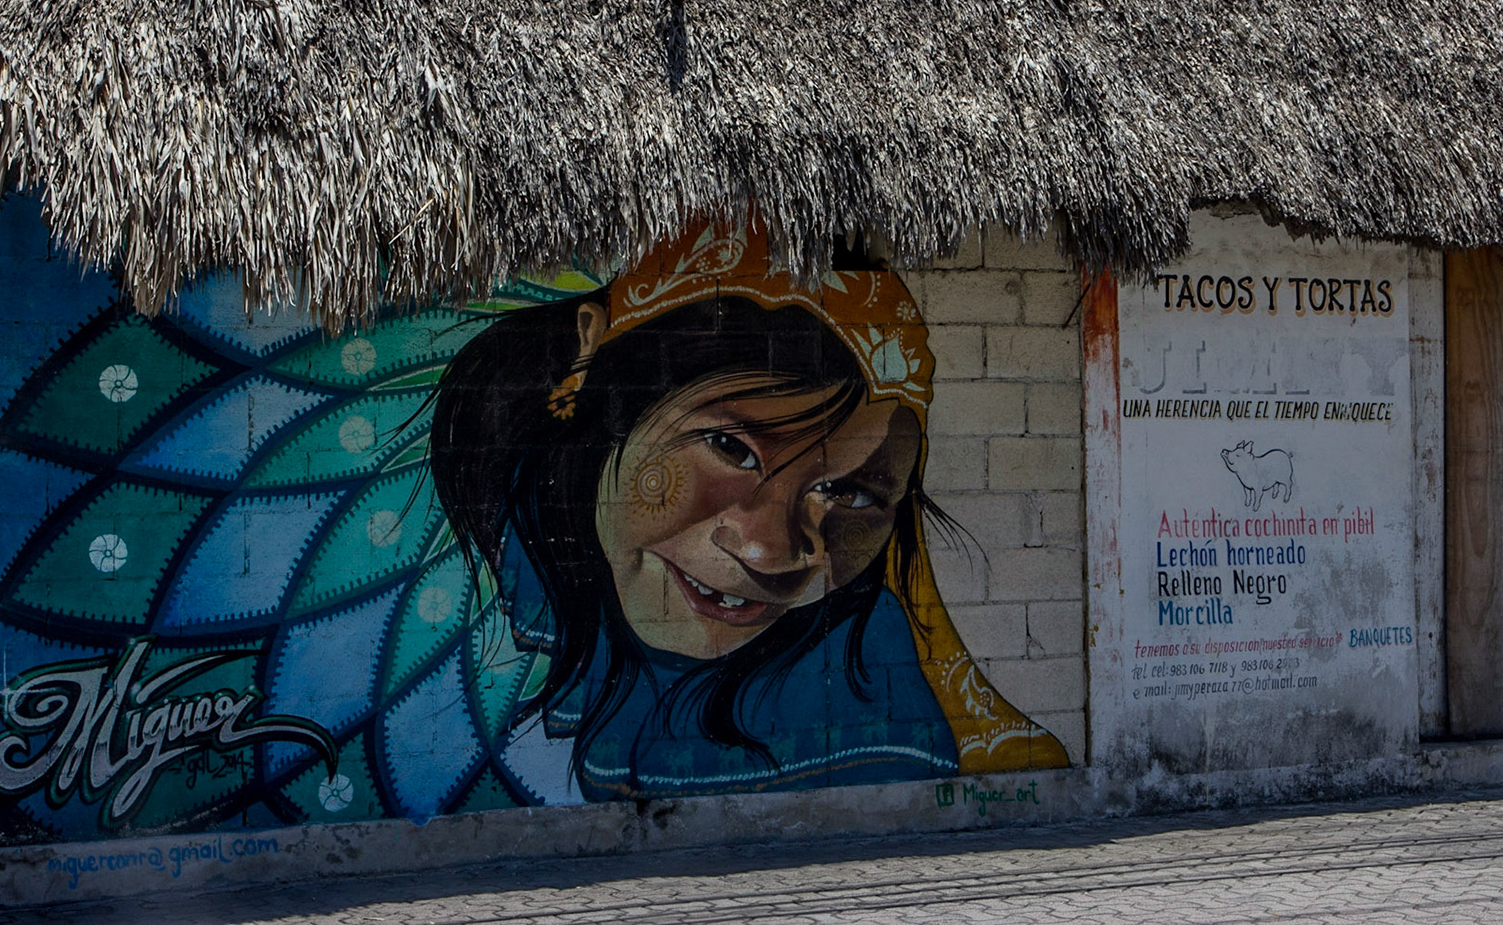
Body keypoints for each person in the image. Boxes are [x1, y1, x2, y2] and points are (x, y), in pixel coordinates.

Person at [429, 225, 1066, 802]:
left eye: (851, 495)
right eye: (731, 448)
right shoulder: (506, 564)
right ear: (595, 367)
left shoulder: (867, 667)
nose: (771, 551)